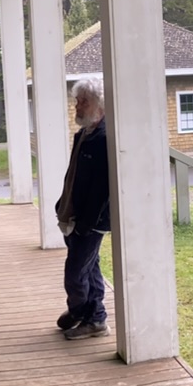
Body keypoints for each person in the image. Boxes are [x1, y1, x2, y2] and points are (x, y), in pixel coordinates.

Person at [53, 80, 114, 340]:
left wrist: (86, 222)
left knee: (76, 273)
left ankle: (81, 312)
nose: (77, 106)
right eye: (77, 101)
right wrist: (62, 204)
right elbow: (74, 176)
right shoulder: (83, 135)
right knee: (90, 269)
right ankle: (94, 319)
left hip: (91, 220)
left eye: (83, 101)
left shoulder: (104, 139)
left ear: (99, 105)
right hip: (73, 214)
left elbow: (102, 187)